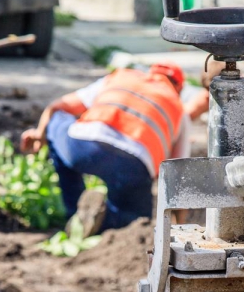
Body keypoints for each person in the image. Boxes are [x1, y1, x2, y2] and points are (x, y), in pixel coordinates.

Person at [22, 62, 190, 237]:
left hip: (85, 146)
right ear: (179, 88)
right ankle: (105, 222)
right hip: (135, 165)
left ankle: (75, 212)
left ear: (149, 71)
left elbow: (57, 107)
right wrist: (180, 226)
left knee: (58, 119)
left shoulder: (121, 76)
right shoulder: (179, 109)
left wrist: (40, 133)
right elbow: (178, 175)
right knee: (135, 224)